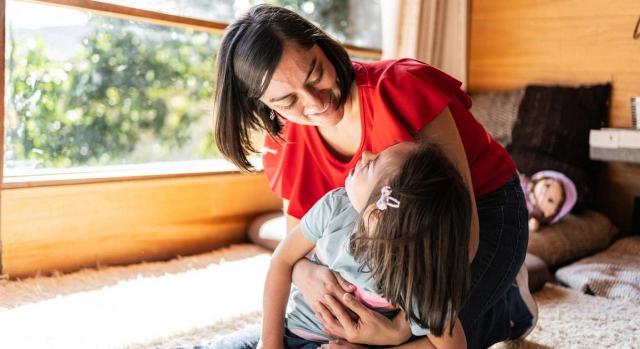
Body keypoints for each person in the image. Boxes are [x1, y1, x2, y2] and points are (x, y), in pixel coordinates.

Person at [213, 4, 536, 348]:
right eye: (287, 100)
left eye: (315, 74)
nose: (316, 103)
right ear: (264, 105)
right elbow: (296, 245)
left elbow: (460, 230)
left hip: (471, 220)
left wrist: (396, 330)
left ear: (323, 46)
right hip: (382, 241)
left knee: (418, 331)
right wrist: (308, 275)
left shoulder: (400, 90)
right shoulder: (285, 139)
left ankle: (508, 309)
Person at [258, 141, 535, 349]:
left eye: (371, 164)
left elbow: (451, 346)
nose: (364, 154)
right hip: (293, 332)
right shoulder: (334, 208)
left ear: (378, 212)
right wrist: (269, 343)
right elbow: (281, 261)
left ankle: (510, 309)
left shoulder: (417, 278)